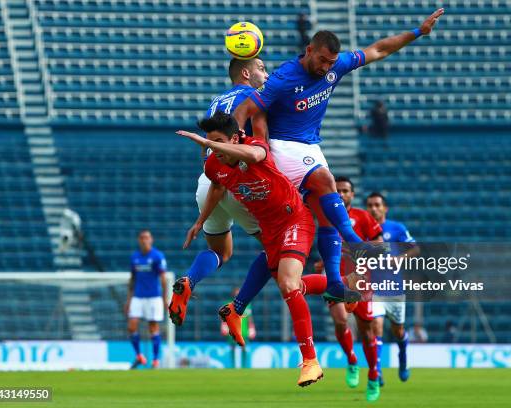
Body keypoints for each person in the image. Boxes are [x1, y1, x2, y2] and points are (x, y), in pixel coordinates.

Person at [232, 8, 444, 302]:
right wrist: (236, 145)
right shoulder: (283, 77)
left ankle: (333, 281)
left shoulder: (335, 67)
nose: (325, 67)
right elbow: (245, 109)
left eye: (330, 62)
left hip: (310, 146)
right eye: (321, 60)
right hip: (283, 145)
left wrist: (418, 32)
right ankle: (358, 244)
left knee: (325, 217)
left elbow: (379, 49)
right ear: (309, 50)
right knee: (326, 181)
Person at [178, 111, 324, 387]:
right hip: (269, 231)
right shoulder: (213, 164)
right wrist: (200, 222)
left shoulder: (255, 147)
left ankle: (310, 361)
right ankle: (344, 288)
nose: (213, 149)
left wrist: (208, 143)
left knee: (289, 286)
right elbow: (217, 189)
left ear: (234, 139)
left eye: (218, 142)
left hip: (295, 220)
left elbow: (256, 157)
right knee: (292, 285)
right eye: (209, 142)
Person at [168, 57, 271, 327]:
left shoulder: (216, 102)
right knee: (280, 249)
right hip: (237, 179)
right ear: (246, 73)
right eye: (262, 69)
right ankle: (237, 309)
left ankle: (189, 280)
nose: (267, 74)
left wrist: (199, 221)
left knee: (221, 252)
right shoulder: (253, 96)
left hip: (209, 180)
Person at [317, 176, 383, 401]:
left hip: (360, 278)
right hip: (335, 276)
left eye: (347, 191)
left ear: (352, 195)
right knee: (340, 320)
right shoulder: (324, 214)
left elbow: (380, 244)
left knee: (366, 330)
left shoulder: (362, 217)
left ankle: (373, 374)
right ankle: (352, 360)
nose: (343, 194)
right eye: (340, 190)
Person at [366, 192, 420, 385]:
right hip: (373, 289)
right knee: (376, 327)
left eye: (377, 205)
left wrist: (398, 259)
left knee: (398, 331)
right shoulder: (364, 229)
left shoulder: (396, 228)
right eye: (370, 205)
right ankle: (377, 370)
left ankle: (403, 357)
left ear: (384, 208)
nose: (373, 208)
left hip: (395, 288)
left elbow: (415, 249)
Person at [125, 229, 167, 369]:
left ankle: (155, 360)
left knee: (153, 327)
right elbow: (132, 279)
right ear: (139, 240)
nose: (144, 240)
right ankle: (139, 356)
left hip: (154, 297)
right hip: (137, 296)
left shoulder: (157, 256)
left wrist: (164, 298)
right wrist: (128, 299)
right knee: (131, 326)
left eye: (147, 237)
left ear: (151, 240)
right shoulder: (135, 257)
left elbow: (163, 278)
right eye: (142, 237)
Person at [221, 287, 257, 368]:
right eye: (236, 293)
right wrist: (223, 326)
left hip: (243, 330)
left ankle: (244, 366)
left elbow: (250, 318)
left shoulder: (247, 305)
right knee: (232, 348)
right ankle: (232, 366)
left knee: (244, 348)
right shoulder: (228, 304)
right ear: (233, 294)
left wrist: (252, 328)